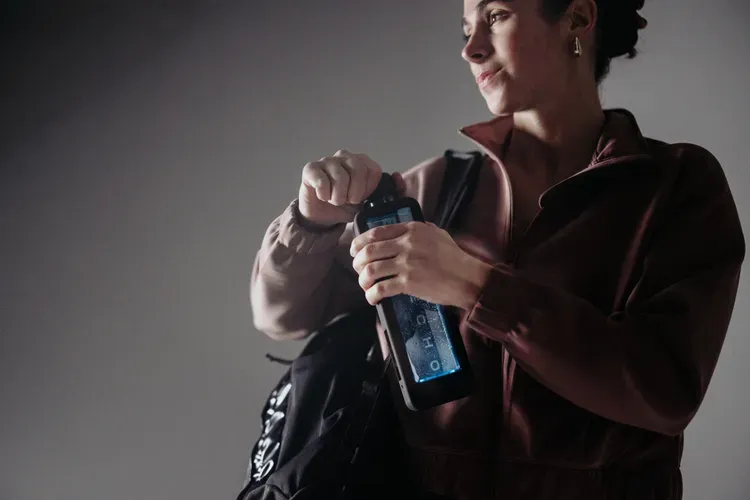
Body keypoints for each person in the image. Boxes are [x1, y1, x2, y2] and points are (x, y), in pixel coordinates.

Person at [249, 0, 746, 498]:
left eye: (495, 16)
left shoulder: (674, 186)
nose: (471, 49)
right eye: (466, 29)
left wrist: (475, 285)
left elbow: (664, 392)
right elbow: (284, 316)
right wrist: (310, 222)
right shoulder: (437, 189)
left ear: (577, 18)